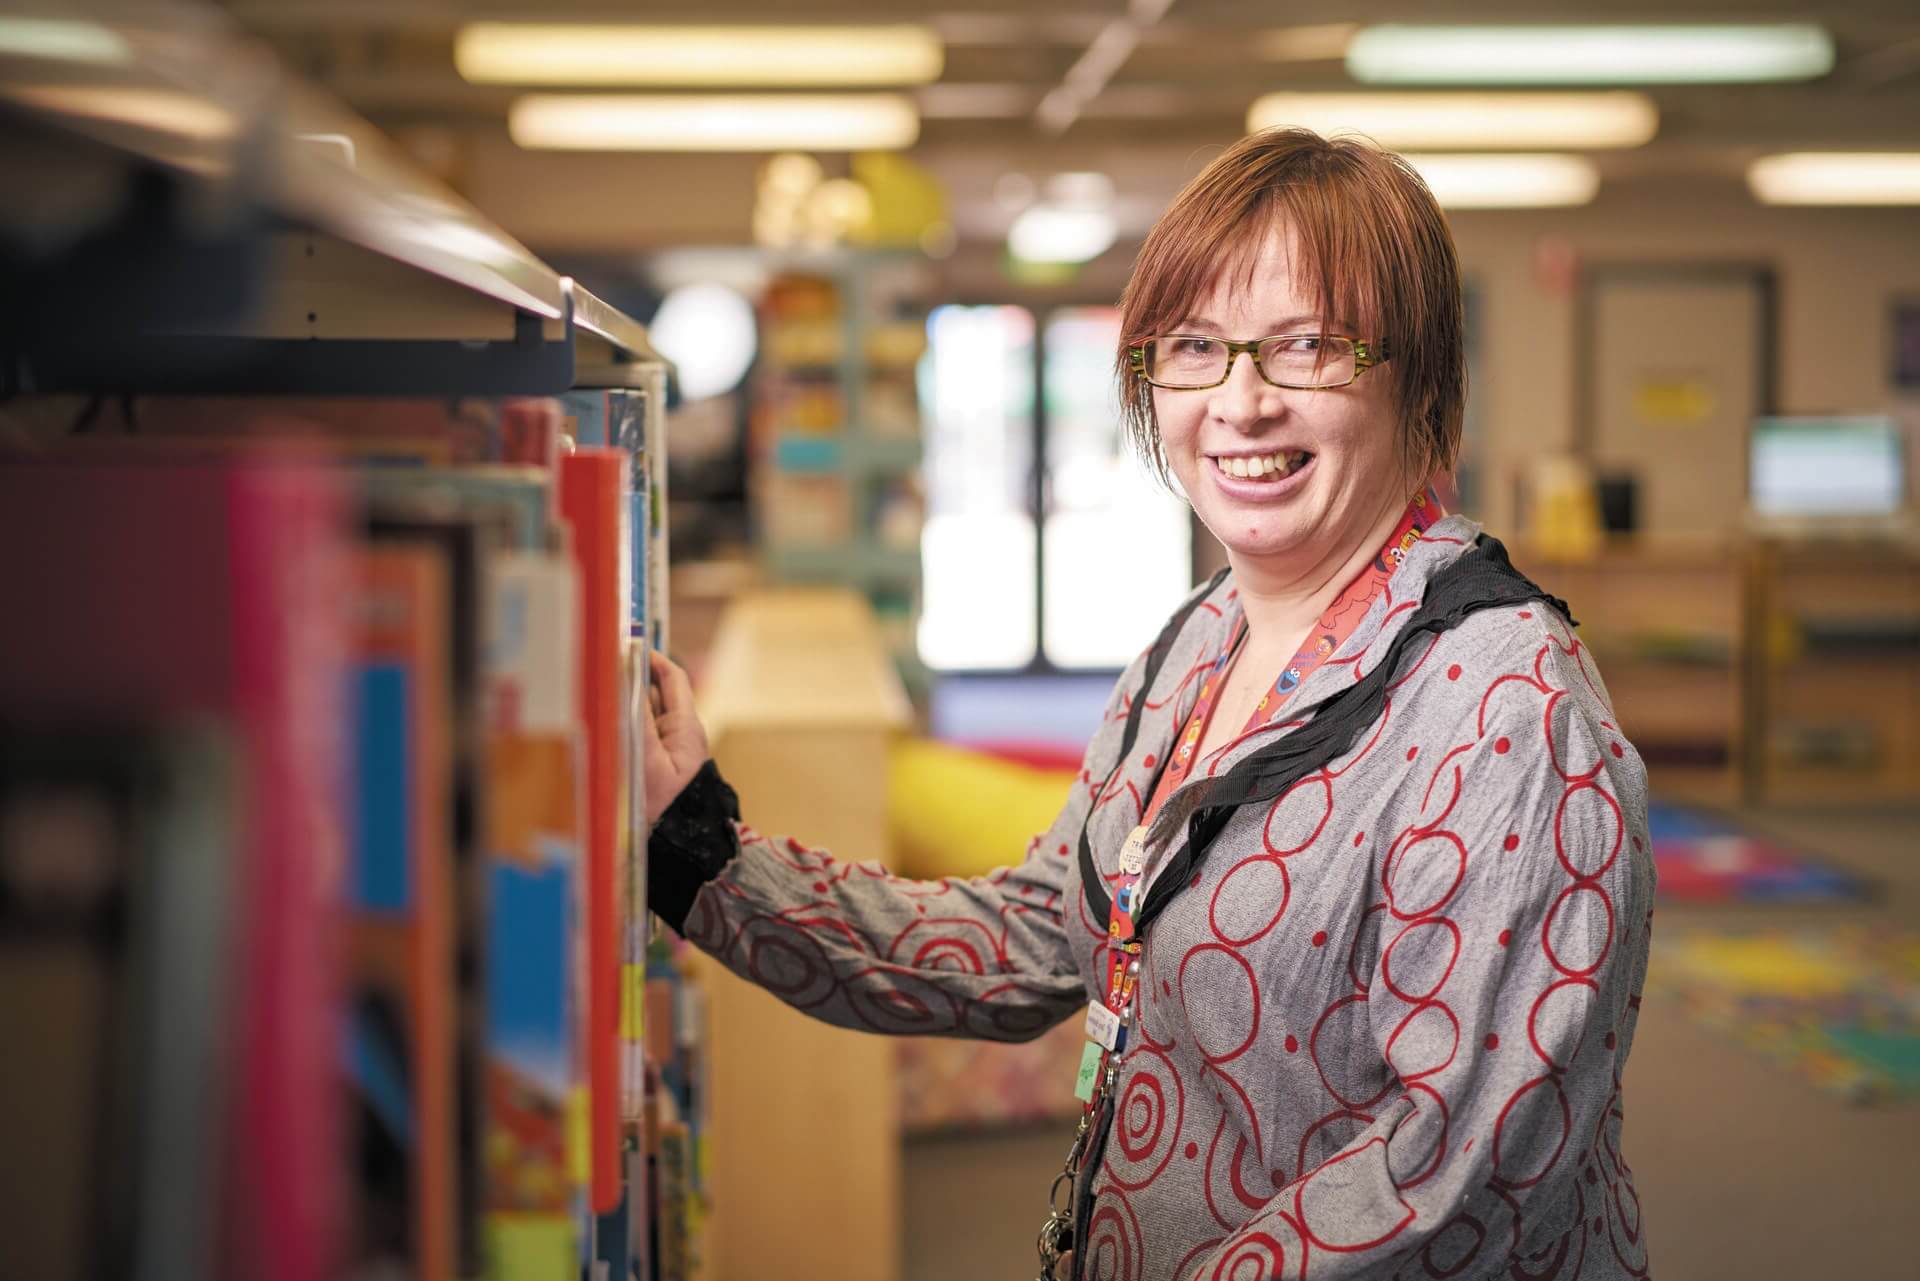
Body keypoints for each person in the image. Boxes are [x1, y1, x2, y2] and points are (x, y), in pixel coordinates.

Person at [641, 128, 1654, 1281]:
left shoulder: (1509, 714)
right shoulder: (1200, 640)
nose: (1241, 401)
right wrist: (700, 853)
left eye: (1309, 347)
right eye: (1196, 348)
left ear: (1416, 376)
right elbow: (1036, 939)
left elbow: (1455, 1177)